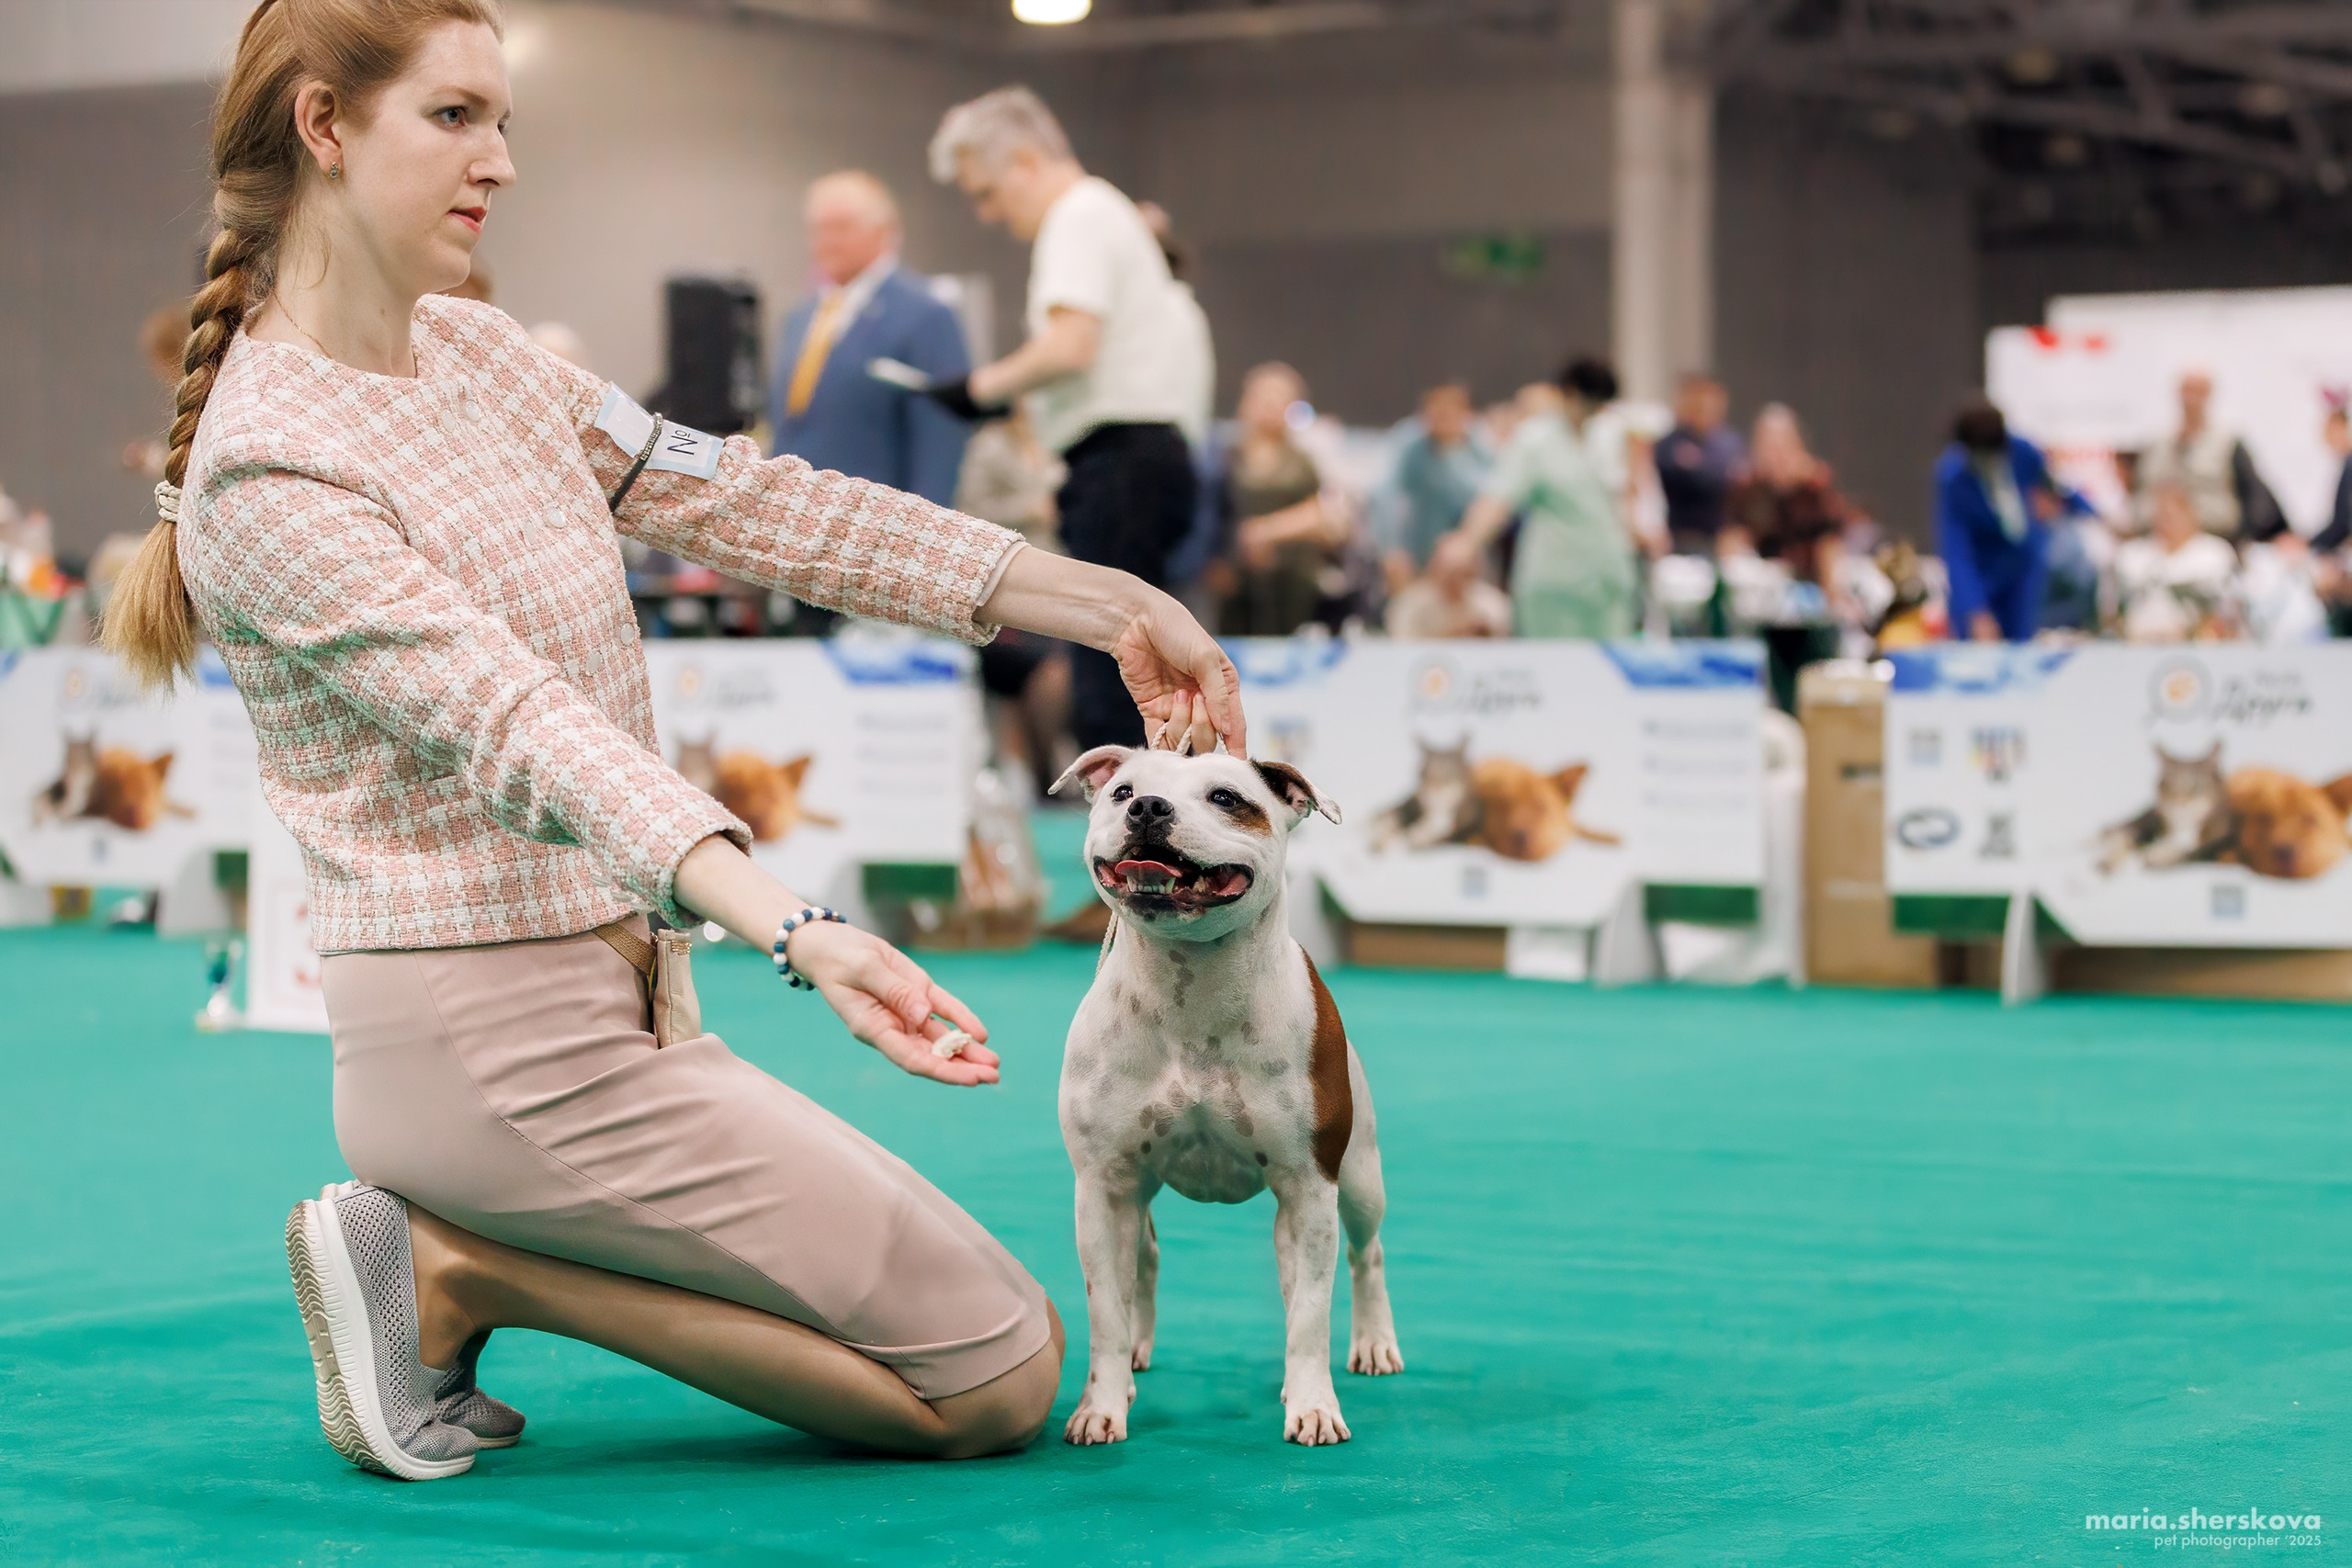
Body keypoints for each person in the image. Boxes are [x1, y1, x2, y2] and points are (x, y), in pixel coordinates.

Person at [102, 0, 1245, 1482]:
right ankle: (461, 1268)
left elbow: (760, 507)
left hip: (627, 1007)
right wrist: (803, 930)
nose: (500, 160)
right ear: (322, 127)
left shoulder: (480, 349)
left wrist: (1100, 602)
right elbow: (525, 731)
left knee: (990, 1346)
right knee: (999, 1379)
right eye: (455, 117)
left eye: (505, 120)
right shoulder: (268, 464)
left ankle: (472, 1255)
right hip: (483, 1052)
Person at [928, 86, 1206, 750]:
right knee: (1134, 664)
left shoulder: (1076, 215)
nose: (989, 213)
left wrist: (979, 387)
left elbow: (1069, 345)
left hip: (1122, 463)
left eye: (988, 192)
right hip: (1135, 460)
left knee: (1113, 668)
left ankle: (1127, 835)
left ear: (1024, 161)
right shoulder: (1104, 212)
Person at [769, 171, 972, 509]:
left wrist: (925, 528)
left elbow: (940, 438)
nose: (826, 241)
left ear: (884, 232)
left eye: (841, 228)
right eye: (818, 229)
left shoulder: (925, 314)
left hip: (876, 524)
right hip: (799, 518)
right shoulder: (801, 318)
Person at [1448, 358, 1641, 638]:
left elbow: (1622, 496)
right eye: (1590, 402)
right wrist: (1466, 542)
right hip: (1556, 584)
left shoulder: (1610, 434)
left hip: (1609, 578)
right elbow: (1499, 499)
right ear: (1569, 394)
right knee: (1558, 672)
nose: (1596, 411)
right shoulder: (1534, 439)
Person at [1206, 362, 1346, 637]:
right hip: (1233, 586)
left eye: (1280, 399)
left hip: (1293, 587)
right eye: (1264, 398)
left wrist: (1267, 532)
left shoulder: (1305, 463)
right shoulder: (1224, 459)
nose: (1271, 407)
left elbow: (1331, 520)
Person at [1933, 396, 2078, 643]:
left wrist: (2092, 512)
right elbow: (1956, 550)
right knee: (1978, 650)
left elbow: (2059, 490)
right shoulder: (1952, 476)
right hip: (1982, 571)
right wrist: (1975, 610)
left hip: (2022, 571)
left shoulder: (2024, 452)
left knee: (2021, 646)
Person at [1723, 402, 1851, 610]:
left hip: (1809, 588)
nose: (1774, 455)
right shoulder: (1746, 486)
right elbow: (1731, 538)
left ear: (1797, 445)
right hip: (1761, 589)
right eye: (1766, 445)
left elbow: (1829, 544)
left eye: (1780, 445)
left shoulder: (1814, 486)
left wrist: (1833, 600)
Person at [2134, 368, 2286, 542]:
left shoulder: (2228, 441)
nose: (2190, 399)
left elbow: (2254, 496)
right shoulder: (2155, 444)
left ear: (2209, 395)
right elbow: (2139, 492)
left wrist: (2247, 535)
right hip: (2157, 542)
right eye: (2186, 391)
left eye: (2197, 392)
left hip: (2217, 537)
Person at [1377, 382, 1490, 591]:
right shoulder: (1411, 445)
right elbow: (1384, 495)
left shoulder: (1481, 450)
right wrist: (1391, 550)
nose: (1441, 416)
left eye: (1450, 410)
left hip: (1465, 565)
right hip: (1417, 558)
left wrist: (1451, 451)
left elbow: (1486, 499)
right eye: (1436, 408)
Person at [2109, 479, 2242, 642]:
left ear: (2191, 515)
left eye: (2171, 516)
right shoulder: (2133, 555)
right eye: (2160, 515)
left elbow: (2227, 618)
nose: (2164, 523)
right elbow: (2114, 616)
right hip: (2138, 647)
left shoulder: (2214, 555)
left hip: (2197, 650)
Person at [1654, 372, 1746, 556]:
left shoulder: (1729, 443)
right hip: (1679, 537)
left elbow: (1734, 479)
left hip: (1718, 539)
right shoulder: (1670, 443)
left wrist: (1699, 466)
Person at [1384, 530, 1510, 638]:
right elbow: (1402, 644)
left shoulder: (1492, 604)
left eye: (1464, 573)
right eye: (1451, 574)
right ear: (1435, 570)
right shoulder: (1410, 604)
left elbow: (1502, 643)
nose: (1457, 581)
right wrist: (1451, 633)